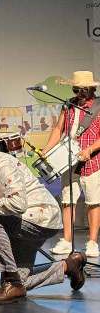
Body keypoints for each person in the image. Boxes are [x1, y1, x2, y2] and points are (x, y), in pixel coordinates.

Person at [0, 125, 87, 304]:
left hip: (40, 217)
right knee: (22, 283)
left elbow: (18, 203)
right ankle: (69, 265)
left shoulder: (2, 163)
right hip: (24, 219)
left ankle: (11, 280)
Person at [44, 71, 100, 258]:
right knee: (67, 200)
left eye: (83, 90)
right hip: (68, 160)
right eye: (76, 89)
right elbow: (58, 129)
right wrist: (46, 150)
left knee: (93, 202)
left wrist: (90, 149)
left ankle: (92, 242)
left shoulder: (99, 106)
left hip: (92, 161)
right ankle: (67, 241)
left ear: (91, 89)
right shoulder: (68, 105)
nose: (79, 93)